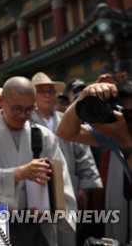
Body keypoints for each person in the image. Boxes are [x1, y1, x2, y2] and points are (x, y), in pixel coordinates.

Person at [0, 76, 77, 246]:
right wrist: (20, 173)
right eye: (17, 109)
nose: (23, 116)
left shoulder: (43, 135)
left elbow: (60, 181)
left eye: (29, 109)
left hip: (38, 225)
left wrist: (51, 209)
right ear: (2, 101)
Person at [30, 72, 102, 246]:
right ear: (33, 96)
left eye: (50, 91)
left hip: (69, 185)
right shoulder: (26, 122)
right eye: (41, 91)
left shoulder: (68, 120)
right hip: (38, 189)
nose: (47, 95)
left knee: (67, 233)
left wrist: (84, 185)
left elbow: (83, 154)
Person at [56, 79, 132, 243]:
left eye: (130, 114)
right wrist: (83, 97)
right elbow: (65, 132)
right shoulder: (118, 133)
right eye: (119, 111)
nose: (124, 118)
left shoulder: (121, 134)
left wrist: (124, 139)